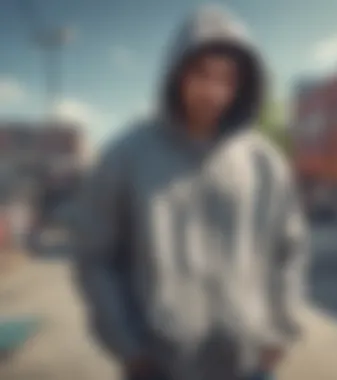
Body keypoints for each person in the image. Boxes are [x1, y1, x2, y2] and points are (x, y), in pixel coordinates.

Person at [74, 6, 309, 380]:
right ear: (176, 73)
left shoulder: (266, 163)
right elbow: (96, 258)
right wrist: (130, 349)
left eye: (228, 78)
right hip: (159, 367)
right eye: (201, 74)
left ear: (244, 85)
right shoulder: (125, 157)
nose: (215, 91)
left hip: (249, 366)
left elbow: (290, 250)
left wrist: (280, 331)